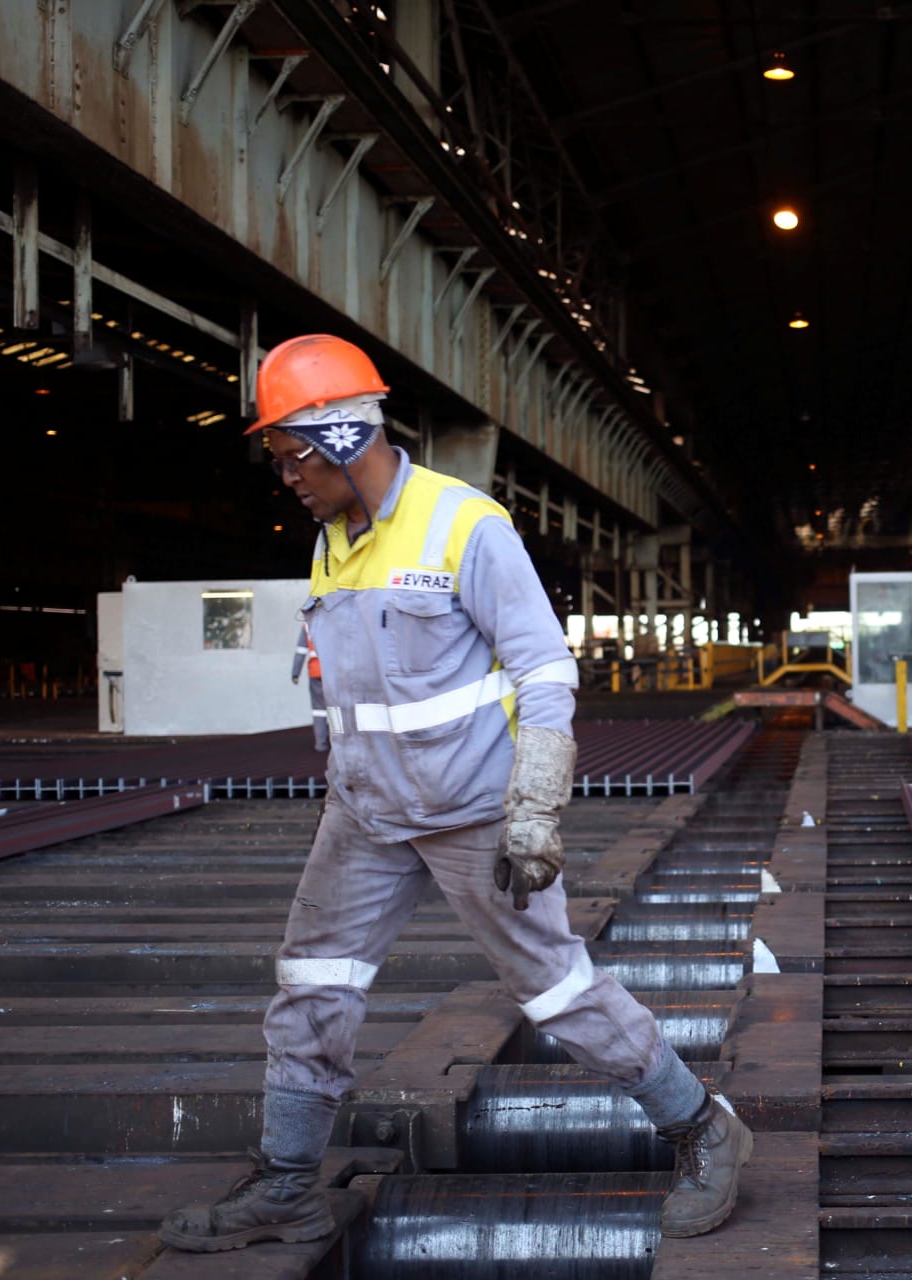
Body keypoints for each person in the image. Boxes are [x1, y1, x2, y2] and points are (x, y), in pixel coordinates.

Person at [159, 335, 750, 1253]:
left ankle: (702, 1128)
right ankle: (285, 1185)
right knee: (311, 985)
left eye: (292, 456)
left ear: (347, 437)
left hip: (477, 814)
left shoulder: (464, 526)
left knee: (556, 992)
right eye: (278, 459)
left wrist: (535, 808)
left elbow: (545, 667)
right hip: (365, 816)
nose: (285, 477)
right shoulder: (331, 542)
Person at [290, 620, 328, 750]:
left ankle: (321, 744)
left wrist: (295, 673)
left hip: (315, 672)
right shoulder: (336, 617)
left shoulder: (307, 623)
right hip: (333, 673)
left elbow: (301, 650)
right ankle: (341, 746)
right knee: (340, 708)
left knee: (319, 710)